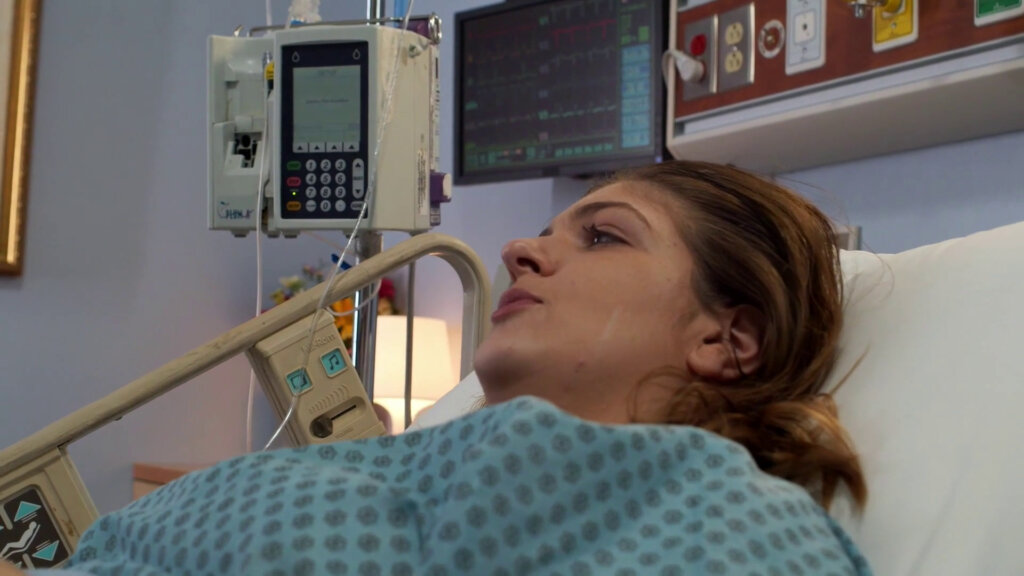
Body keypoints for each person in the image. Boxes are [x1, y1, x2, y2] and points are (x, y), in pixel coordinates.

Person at [4, 160, 871, 575]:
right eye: (549, 230)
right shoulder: (387, 465)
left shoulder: (736, 532)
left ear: (727, 338)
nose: (521, 248)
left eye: (604, 236)